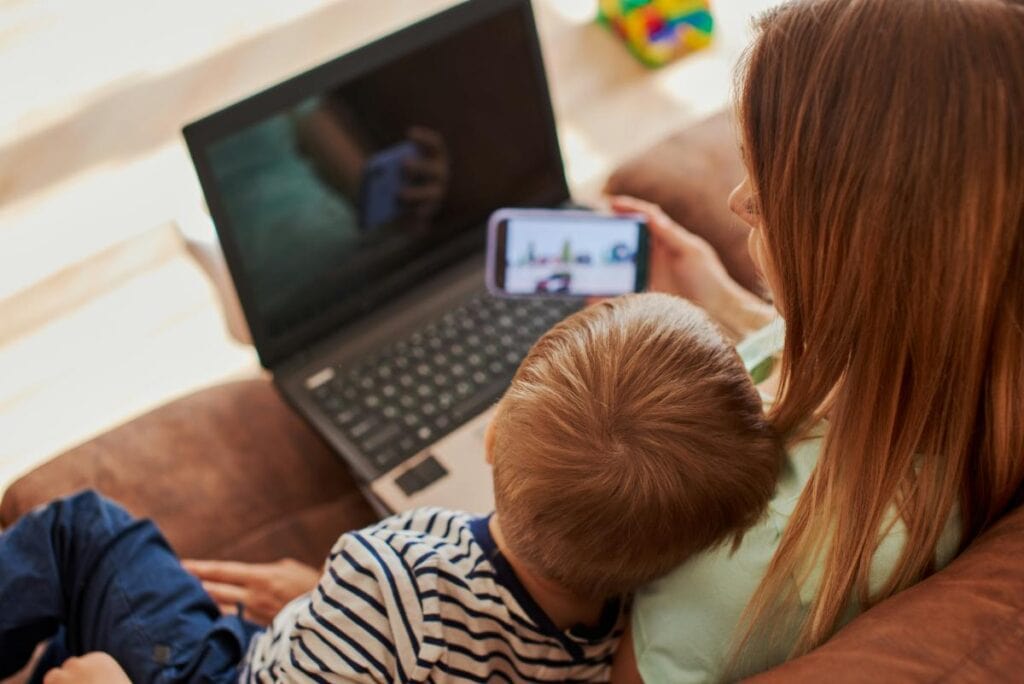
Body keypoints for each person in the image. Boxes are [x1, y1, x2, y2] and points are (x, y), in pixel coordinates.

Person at [0, 294, 783, 683]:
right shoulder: (609, 632)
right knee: (92, 620)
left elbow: (404, 618)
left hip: (229, 674)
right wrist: (332, 609)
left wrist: (351, 605)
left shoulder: (398, 567)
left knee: (83, 529)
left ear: (492, 434)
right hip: (318, 647)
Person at [604, 0, 1024, 681]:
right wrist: (717, 301)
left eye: (769, 189)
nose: (740, 200)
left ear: (865, 254)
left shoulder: (745, 563)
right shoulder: (958, 359)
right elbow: (833, 362)